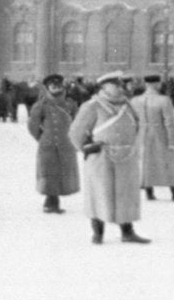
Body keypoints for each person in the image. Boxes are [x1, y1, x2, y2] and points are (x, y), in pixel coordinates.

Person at [68, 71, 150, 244]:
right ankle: (98, 233)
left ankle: (127, 232)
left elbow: (139, 126)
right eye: (116, 85)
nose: (120, 89)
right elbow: (75, 133)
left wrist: (134, 146)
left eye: (121, 85)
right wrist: (87, 149)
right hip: (101, 158)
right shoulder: (92, 106)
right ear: (104, 87)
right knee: (99, 194)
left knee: (126, 195)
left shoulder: (128, 105)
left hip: (126, 157)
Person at [131, 74, 174, 202]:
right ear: (157, 84)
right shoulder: (164, 100)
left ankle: (149, 192)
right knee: (169, 163)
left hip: (141, 134)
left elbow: (132, 121)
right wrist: (173, 140)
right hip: (160, 134)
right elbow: (169, 121)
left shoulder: (135, 100)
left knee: (146, 163)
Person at [27, 73, 80, 213]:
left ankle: (53, 201)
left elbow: (78, 123)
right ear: (47, 88)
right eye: (53, 86)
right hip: (48, 145)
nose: (56, 88)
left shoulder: (70, 104)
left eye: (58, 85)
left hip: (67, 144)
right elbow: (33, 125)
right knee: (49, 173)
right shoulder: (41, 105)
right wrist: (43, 138)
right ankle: (51, 202)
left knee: (63, 172)